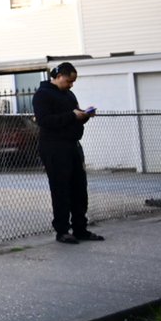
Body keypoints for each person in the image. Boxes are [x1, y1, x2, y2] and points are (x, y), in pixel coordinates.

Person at [33, 61, 103, 244]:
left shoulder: (69, 95)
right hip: (54, 147)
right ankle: (62, 230)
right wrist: (73, 115)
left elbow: (74, 117)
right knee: (61, 189)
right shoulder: (42, 95)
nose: (71, 85)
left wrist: (84, 116)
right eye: (68, 80)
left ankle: (80, 228)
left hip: (73, 145)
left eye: (73, 82)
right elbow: (44, 120)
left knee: (79, 188)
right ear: (58, 76)